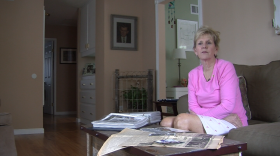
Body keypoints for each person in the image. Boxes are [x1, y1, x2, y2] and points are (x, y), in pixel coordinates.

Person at [160, 26, 248, 135]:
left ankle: (190, 150)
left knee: (183, 120)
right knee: (165, 122)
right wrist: (202, 116)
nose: (204, 46)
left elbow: (227, 106)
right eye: (200, 43)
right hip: (216, 118)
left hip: (231, 120)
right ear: (195, 51)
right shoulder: (192, 74)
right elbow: (192, 108)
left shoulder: (226, 67)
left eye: (209, 43)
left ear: (216, 49)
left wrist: (200, 115)